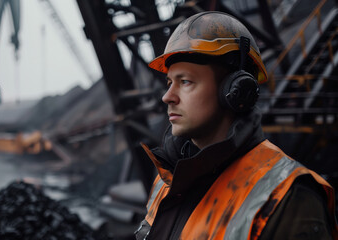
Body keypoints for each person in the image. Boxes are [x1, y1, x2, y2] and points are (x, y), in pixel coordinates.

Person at [134, 11, 338, 240]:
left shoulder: (286, 196)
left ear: (235, 90)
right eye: (169, 82)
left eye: (186, 82)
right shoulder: (166, 181)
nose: (167, 96)